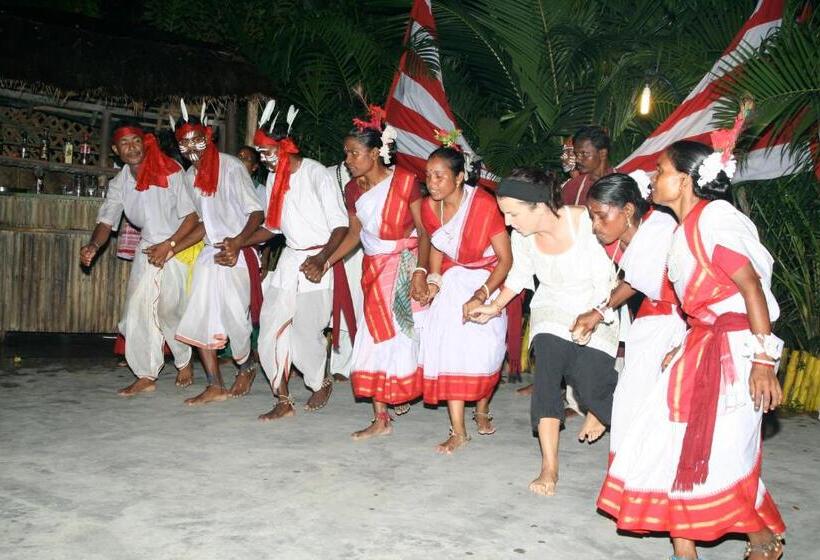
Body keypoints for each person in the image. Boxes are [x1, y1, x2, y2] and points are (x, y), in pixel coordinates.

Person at [596, 140, 786, 560]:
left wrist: (763, 360)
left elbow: (750, 287)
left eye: (660, 170)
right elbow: (702, 310)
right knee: (666, 445)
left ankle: (762, 541)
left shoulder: (716, 218)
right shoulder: (682, 229)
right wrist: (682, 345)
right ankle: (686, 553)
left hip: (737, 353)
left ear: (684, 180)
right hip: (700, 345)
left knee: (719, 457)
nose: (652, 178)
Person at [469, 168, 618, 496]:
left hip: (597, 306)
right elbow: (519, 277)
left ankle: (598, 407)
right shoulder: (522, 237)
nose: (508, 222)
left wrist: (590, 317)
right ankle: (549, 467)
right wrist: (494, 307)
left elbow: (605, 281)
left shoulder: (584, 223)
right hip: (550, 306)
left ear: (538, 205)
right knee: (548, 370)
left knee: (590, 385)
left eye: (513, 213)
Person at [325, 105, 430, 440]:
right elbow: (355, 235)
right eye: (346, 153)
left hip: (405, 267)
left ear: (376, 152)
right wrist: (327, 261)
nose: (348, 160)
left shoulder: (405, 182)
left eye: (355, 153)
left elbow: (423, 231)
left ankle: (399, 392)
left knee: (404, 338)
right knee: (373, 339)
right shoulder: (353, 190)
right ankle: (381, 417)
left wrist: (421, 272)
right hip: (374, 269)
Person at [245, 102, 349, 420]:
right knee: (269, 330)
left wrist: (321, 259)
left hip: (319, 260)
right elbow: (271, 228)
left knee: (306, 333)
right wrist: (238, 242)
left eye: (268, 152)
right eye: (260, 154)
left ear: (286, 146)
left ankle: (321, 381)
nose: (264, 160)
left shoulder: (316, 173)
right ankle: (283, 399)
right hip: (289, 262)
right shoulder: (276, 179)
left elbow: (341, 225)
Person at [572, 172, 687, 461]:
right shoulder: (630, 238)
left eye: (601, 216)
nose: (596, 226)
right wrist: (598, 311)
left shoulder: (660, 230)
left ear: (627, 210)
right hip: (649, 321)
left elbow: (642, 282)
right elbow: (634, 281)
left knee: (657, 407)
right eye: (592, 218)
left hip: (675, 324)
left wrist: (599, 311)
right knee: (633, 402)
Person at [80, 123, 200, 396]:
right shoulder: (120, 183)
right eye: (125, 143)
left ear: (144, 143)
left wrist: (169, 246)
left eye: (136, 141)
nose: (132, 147)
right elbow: (106, 220)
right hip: (148, 248)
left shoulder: (171, 170)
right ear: (115, 150)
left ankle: (184, 360)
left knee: (169, 309)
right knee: (136, 310)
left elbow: (192, 218)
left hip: (178, 243)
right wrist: (93, 245)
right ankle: (146, 373)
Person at [419, 139, 512, 453]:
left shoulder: (483, 204)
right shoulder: (429, 207)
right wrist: (433, 281)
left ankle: (482, 408)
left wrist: (482, 294)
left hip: (488, 278)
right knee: (448, 349)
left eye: (439, 176)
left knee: (485, 352)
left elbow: (506, 259)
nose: (432, 182)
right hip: (453, 277)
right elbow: (436, 245)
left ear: (459, 177)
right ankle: (458, 430)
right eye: (428, 175)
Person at [173, 106, 265, 406]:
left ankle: (247, 364)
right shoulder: (188, 177)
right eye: (183, 143)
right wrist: (172, 247)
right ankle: (214, 384)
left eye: (196, 140)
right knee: (198, 316)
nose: (190, 149)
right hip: (210, 254)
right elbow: (202, 223)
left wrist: (237, 242)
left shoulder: (232, 167)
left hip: (237, 252)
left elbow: (256, 212)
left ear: (208, 137)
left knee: (235, 319)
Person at [326, 160, 363, 382]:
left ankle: (355, 362)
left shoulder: (376, 174)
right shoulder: (328, 174)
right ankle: (337, 361)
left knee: (357, 304)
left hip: (362, 250)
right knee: (334, 306)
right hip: (333, 244)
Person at [561, 125, 616, 206]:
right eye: (576, 154)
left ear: (602, 153)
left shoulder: (624, 183)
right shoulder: (572, 187)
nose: (577, 160)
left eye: (584, 154)